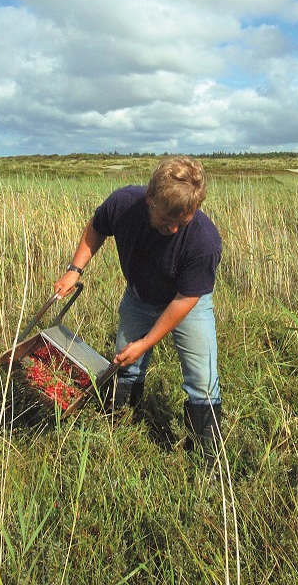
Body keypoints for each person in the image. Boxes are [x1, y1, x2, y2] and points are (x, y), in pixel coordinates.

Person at [53, 155, 224, 454]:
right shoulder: (124, 203)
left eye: (180, 223)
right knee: (124, 364)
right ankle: (119, 432)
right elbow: (97, 227)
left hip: (187, 304)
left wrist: (144, 343)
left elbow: (185, 301)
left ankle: (208, 462)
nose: (172, 230)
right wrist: (74, 270)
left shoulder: (204, 241)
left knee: (202, 382)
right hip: (139, 296)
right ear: (150, 198)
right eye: (165, 221)